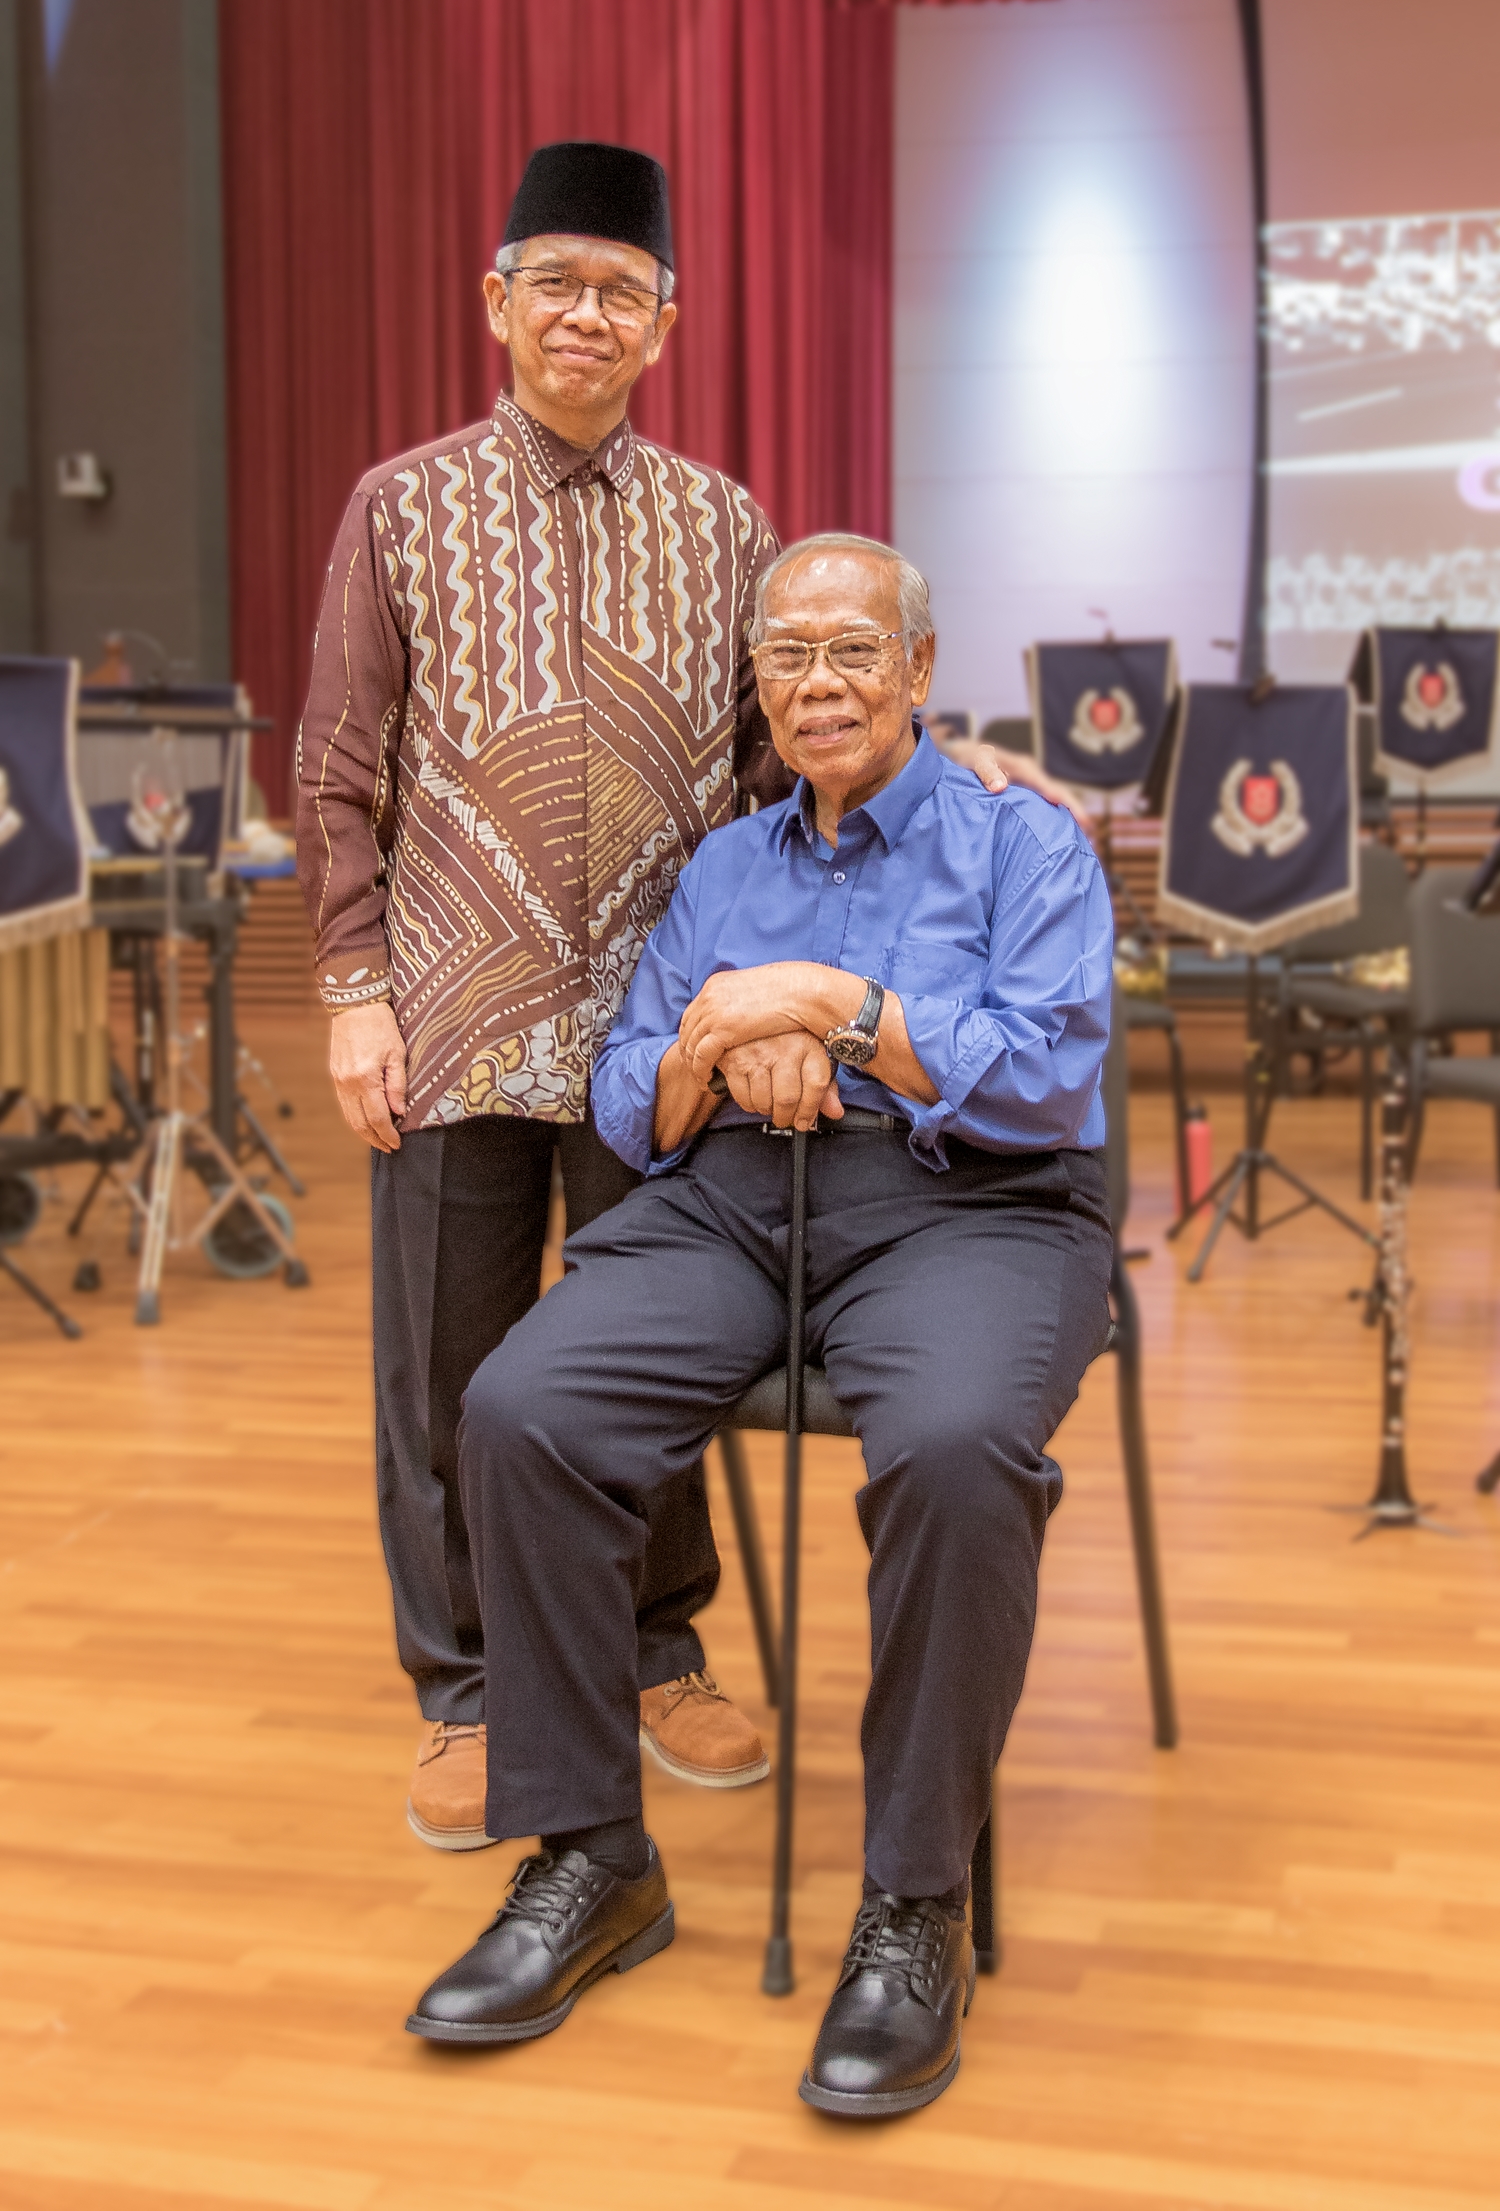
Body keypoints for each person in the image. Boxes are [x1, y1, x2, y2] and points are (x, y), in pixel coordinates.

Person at [296, 143, 1022, 1848]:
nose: (585, 314)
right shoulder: (398, 508)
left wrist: (952, 772)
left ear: (665, 323)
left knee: (660, 1348)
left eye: (620, 289)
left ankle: (657, 1645)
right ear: (496, 302)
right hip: (456, 1016)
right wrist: (349, 989)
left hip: (667, 1029)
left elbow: (797, 740)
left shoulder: (725, 524)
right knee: (451, 1365)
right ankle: (467, 1684)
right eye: (554, 280)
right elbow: (337, 766)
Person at [407, 534, 1114, 2120]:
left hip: (973, 1208)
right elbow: (630, 1093)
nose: (818, 683)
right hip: (736, 1195)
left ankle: (915, 1900)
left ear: (920, 670)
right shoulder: (723, 863)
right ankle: (593, 1856)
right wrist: (717, 1045)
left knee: (945, 1448)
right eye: (787, 655)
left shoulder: (1027, 846)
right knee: (525, 1407)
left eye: (853, 651)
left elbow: (1046, 1072)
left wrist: (829, 1007)